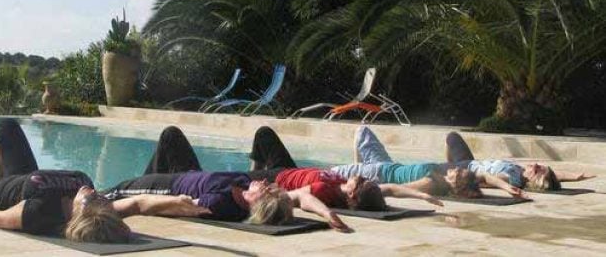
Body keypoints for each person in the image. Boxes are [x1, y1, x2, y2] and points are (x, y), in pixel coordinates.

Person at [0, 118, 131, 242]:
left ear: (76, 213)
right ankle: (1, 175)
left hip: (1, 194)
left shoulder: (37, 212)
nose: (92, 193)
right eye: (99, 199)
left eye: (89, 200)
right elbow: (135, 204)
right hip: (26, 178)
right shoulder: (86, 188)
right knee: (7, 127)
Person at [103, 126, 350, 231]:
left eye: (265, 189)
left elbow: (182, 205)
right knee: (172, 135)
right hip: (191, 173)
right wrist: (328, 215)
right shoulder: (245, 189)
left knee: (113, 192)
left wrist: (156, 199)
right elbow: (302, 197)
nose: (266, 182)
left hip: (168, 186)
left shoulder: (220, 204)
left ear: (255, 203)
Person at [247, 126, 444, 210]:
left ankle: (252, 174)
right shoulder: (348, 187)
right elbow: (391, 188)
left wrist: (328, 214)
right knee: (264, 133)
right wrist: (422, 196)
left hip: (279, 178)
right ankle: (254, 169)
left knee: (239, 178)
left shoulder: (326, 191)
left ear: (351, 194)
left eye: (360, 182)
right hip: (291, 169)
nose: (361, 177)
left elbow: (301, 197)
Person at [330, 126, 484, 199]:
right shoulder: (441, 176)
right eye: (459, 169)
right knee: (362, 130)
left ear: (457, 186)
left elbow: (394, 189)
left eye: (458, 173)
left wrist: (362, 188)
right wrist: (504, 184)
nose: (456, 169)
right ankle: (358, 168)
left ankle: (358, 172)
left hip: (377, 174)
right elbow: (484, 177)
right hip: (386, 164)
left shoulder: (433, 183)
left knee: (327, 174)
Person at [445, 131, 596, 192]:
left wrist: (460, 179)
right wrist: (577, 176)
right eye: (541, 166)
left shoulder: (513, 178)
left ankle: (449, 165)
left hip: (465, 168)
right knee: (452, 137)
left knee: (451, 137)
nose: (536, 165)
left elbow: (485, 181)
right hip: (469, 162)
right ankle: (450, 164)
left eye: (537, 170)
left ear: (531, 181)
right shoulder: (521, 172)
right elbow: (557, 175)